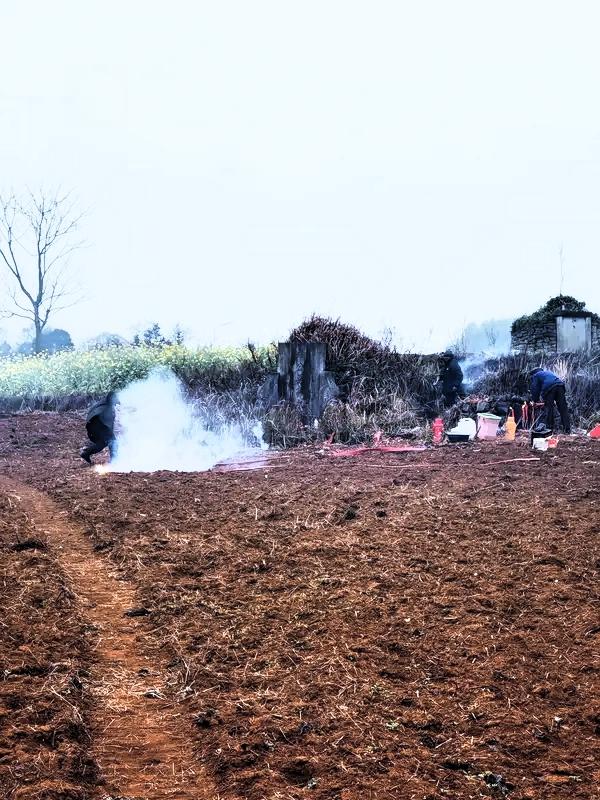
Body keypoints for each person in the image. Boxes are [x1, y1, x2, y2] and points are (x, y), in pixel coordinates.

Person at [80, 391, 119, 464]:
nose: (117, 400)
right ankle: (114, 461)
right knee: (113, 441)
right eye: (116, 398)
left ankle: (86, 453)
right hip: (99, 425)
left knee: (101, 444)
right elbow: (109, 425)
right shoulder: (108, 408)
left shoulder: (103, 403)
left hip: (93, 425)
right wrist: (110, 435)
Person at [530, 368, 571, 434]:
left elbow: (535, 388)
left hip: (550, 387)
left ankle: (549, 428)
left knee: (549, 408)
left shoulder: (535, 375)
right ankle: (567, 429)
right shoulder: (547, 373)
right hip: (560, 385)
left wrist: (535, 400)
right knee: (563, 408)